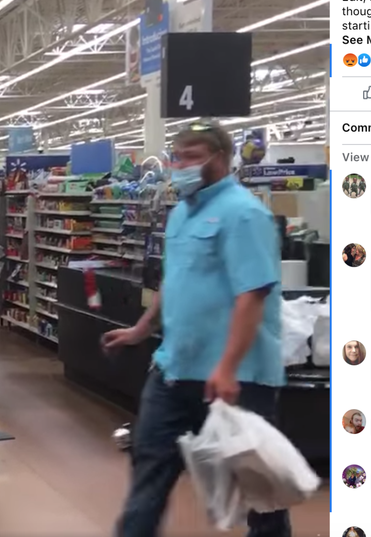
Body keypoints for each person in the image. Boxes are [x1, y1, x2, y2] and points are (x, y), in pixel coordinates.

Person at [101, 122, 289, 537]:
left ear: (218, 158)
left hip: (236, 380)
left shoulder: (245, 214)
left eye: (190, 156)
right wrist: (141, 328)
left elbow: (251, 296)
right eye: (176, 155)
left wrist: (227, 366)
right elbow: (176, 279)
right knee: (149, 471)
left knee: (260, 491)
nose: (178, 165)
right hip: (174, 370)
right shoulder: (182, 212)